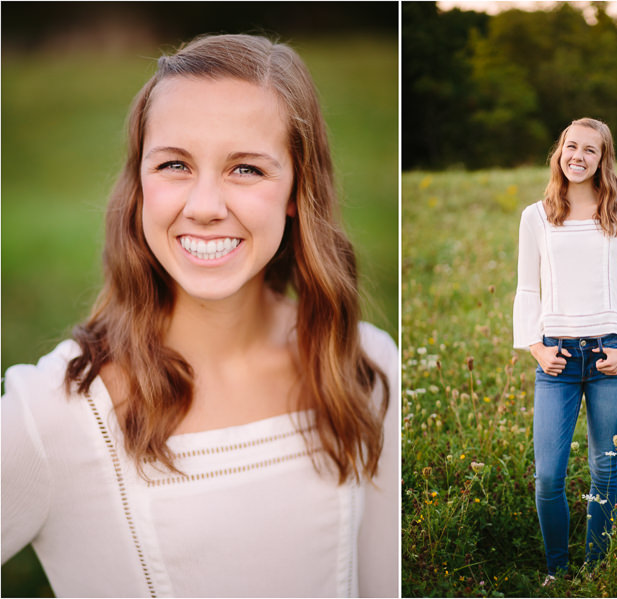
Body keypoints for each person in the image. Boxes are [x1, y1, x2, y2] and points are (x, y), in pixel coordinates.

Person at [1, 34, 398, 598]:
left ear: (295, 188)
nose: (206, 207)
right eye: (174, 164)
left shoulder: (362, 365)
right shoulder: (58, 411)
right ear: (139, 184)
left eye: (246, 170)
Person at [512, 117, 617, 583]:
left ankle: (596, 570)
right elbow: (526, 289)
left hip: (609, 356)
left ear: (602, 159)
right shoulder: (535, 216)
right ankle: (557, 570)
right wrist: (536, 347)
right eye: (570, 147)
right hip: (555, 357)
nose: (578, 156)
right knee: (549, 476)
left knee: (603, 468)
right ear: (559, 152)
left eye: (589, 150)